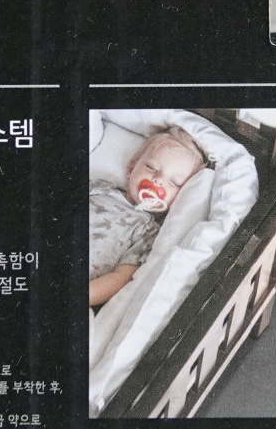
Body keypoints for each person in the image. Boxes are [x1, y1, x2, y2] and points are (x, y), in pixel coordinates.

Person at [89, 127, 208, 307]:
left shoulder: (148, 232)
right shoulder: (100, 187)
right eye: (151, 167)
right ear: (131, 167)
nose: (158, 179)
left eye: (174, 182)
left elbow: (120, 278)